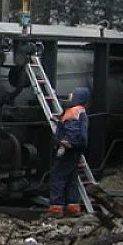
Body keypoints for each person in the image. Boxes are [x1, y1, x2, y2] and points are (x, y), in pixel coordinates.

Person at [48, 87, 91, 217]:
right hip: (74, 150)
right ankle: (73, 207)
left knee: (58, 177)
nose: (68, 98)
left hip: (68, 149)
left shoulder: (74, 112)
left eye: (71, 96)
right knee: (72, 178)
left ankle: (56, 209)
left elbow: (73, 130)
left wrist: (67, 143)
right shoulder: (79, 112)